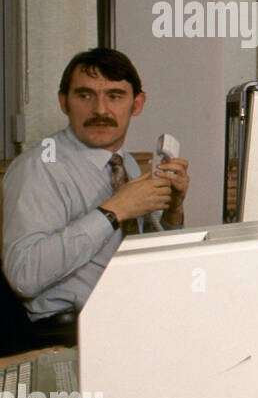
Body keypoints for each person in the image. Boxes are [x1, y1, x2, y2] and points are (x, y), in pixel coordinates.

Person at [2, 49, 190, 337]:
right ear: (64, 102)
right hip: (70, 334)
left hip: (128, 317)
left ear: (137, 104)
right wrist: (113, 212)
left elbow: (140, 255)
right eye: (85, 96)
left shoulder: (122, 162)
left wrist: (173, 208)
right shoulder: (38, 167)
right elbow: (24, 275)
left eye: (114, 96)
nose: (101, 110)